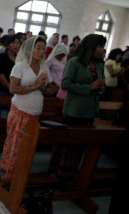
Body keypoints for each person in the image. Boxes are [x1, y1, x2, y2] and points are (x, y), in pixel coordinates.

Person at [0, 37, 58, 182]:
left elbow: (50, 87)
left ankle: (20, 174)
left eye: (43, 48)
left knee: (27, 146)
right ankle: (7, 173)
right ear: (30, 50)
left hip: (34, 114)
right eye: (38, 48)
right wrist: (36, 86)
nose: (42, 51)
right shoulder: (20, 66)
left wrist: (48, 88)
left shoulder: (44, 68)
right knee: (14, 143)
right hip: (19, 110)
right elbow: (13, 88)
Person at [48, 34, 106, 180]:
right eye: (99, 46)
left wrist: (100, 87)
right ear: (90, 47)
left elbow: (100, 85)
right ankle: (56, 173)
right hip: (74, 110)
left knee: (79, 146)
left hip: (90, 110)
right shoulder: (75, 62)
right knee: (67, 144)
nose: (101, 50)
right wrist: (89, 87)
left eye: (102, 47)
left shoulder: (99, 64)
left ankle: (68, 175)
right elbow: (66, 84)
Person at [0, 35, 20, 118]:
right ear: (8, 44)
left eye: (18, 43)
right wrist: (10, 87)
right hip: (3, 90)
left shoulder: (19, 59)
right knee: (3, 116)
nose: (16, 45)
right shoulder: (2, 57)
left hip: (15, 92)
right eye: (13, 43)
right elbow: (0, 74)